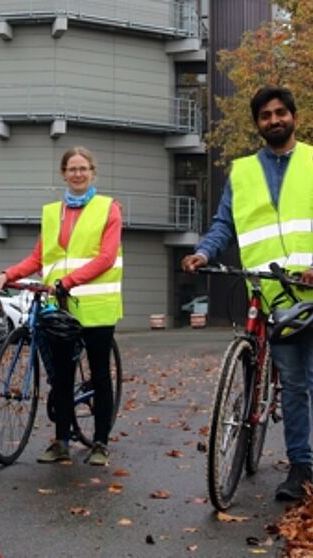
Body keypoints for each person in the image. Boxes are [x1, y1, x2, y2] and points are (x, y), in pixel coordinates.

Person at [182, 86, 313, 501]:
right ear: (257, 123)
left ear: (294, 116)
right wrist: (203, 252)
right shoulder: (241, 174)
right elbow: (225, 224)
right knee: (292, 383)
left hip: (311, 287)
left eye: (280, 113)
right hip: (270, 292)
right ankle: (301, 467)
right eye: (265, 116)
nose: (274, 120)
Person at [0, 146, 123, 467]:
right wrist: (6, 275)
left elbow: (106, 257)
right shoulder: (53, 213)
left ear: (93, 172)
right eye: (72, 169)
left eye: (83, 168)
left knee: (100, 376)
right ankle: (61, 441)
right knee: (62, 378)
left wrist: (69, 281)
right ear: (63, 174)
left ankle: (101, 443)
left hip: (96, 307)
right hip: (59, 309)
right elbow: (39, 259)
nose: (77, 174)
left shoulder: (109, 209)